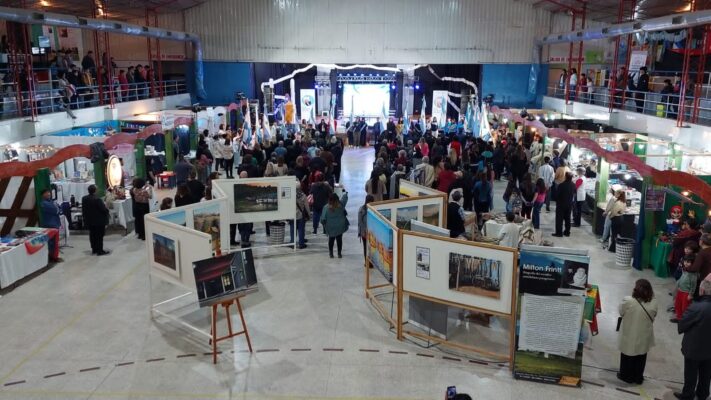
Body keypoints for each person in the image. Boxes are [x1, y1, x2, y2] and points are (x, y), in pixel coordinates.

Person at [675, 280, 711, 400]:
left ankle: (688, 395)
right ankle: (703, 394)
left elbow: (683, 324)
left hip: (693, 348)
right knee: (706, 374)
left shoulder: (696, 307)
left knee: (691, 374)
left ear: (702, 290)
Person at [617, 279, 657, 385]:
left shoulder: (628, 301)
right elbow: (654, 315)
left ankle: (626, 376)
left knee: (627, 355)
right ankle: (638, 377)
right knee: (641, 356)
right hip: (644, 335)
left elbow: (621, 312)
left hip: (629, 333)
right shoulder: (654, 302)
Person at [82, 185, 109, 255]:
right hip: (99, 221)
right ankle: (100, 250)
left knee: (92, 235)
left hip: (89, 220)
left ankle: (94, 249)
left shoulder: (84, 198)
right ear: (95, 191)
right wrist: (106, 208)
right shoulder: (97, 199)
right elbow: (103, 210)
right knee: (99, 236)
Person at [321, 192, 349, 258]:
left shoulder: (326, 208)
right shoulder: (341, 205)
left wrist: (325, 226)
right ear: (337, 199)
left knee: (331, 240)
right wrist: (345, 193)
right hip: (340, 226)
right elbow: (344, 199)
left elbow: (322, 219)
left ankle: (331, 253)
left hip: (330, 227)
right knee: (339, 240)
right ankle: (339, 253)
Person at [673, 255, 698, 323]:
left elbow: (693, 284)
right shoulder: (684, 269)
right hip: (680, 290)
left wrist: (690, 294)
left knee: (685, 307)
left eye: (688, 262)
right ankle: (679, 318)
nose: (686, 263)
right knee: (678, 305)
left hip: (686, 292)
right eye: (685, 261)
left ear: (693, 264)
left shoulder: (693, 273)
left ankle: (685, 320)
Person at [553, 172, 575, 237]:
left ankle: (559, 233)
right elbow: (574, 193)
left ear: (565, 177)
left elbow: (557, 195)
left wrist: (556, 200)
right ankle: (567, 232)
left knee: (559, 219)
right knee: (568, 218)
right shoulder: (573, 185)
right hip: (569, 204)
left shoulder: (561, 185)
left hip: (561, 204)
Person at [358, 194, 375, 259]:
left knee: (371, 247)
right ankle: (367, 261)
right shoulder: (362, 210)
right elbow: (360, 222)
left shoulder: (374, 209)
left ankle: (371, 261)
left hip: (372, 232)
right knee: (366, 247)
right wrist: (364, 232)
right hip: (365, 232)